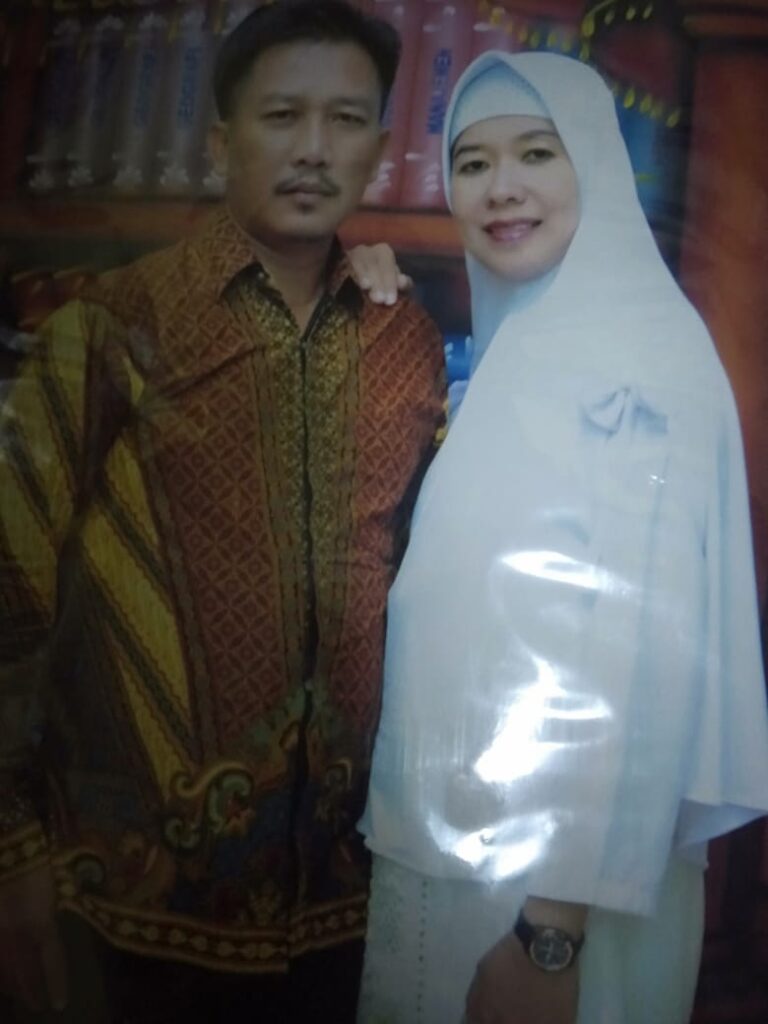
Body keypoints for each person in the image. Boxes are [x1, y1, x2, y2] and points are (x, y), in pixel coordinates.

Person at [0, 3, 445, 1022]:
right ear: (217, 143)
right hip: (122, 910)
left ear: (381, 148)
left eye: (345, 120)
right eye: (282, 115)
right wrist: (10, 852)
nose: (313, 147)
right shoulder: (111, 328)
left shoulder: (408, 345)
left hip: (349, 910)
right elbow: (9, 595)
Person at [351, 51, 768, 1023]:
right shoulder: (533, 350)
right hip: (474, 866)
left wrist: (549, 939)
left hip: (552, 903)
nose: (501, 187)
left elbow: (632, 660)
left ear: (597, 164)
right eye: (472, 162)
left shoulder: (633, 364)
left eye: (537, 153)